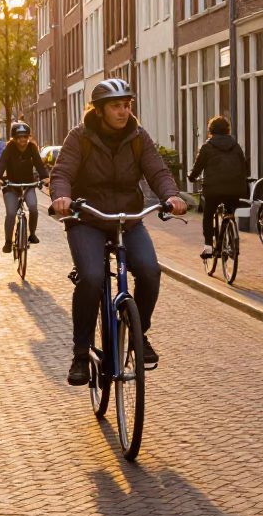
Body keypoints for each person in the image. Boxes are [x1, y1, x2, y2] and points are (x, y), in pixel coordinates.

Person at [49, 79, 188, 384]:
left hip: (128, 218)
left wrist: (171, 196)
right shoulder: (80, 138)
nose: (123, 111)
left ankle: (140, 333)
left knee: (150, 271)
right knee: (92, 277)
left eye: (127, 105)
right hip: (87, 218)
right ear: (98, 111)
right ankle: (81, 353)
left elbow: (157, 171)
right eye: (115, 106)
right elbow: (62, 173)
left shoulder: (138, 137)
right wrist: (61, 197)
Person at [188, 116, 249, 258]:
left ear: (211, 131)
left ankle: (208, 246)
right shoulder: (236, 146)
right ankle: (230, 236)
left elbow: (198, 168)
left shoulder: (207, 146)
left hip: (213, 189)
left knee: (208, 214)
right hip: (235, 188)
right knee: (229, 211)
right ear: (228, 130)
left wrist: (191, 177)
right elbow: (243, 166)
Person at [0, 122, 49, 253]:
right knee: (11, 213)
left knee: (34, 208)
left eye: (25, 136)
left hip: (27, 185)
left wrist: (44, 177)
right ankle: (8, 242)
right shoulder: (9, 149)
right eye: (19, 137)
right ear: (14, 138)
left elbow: (39, 164)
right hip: (11, 186)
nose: (23, 140)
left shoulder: (32, 148)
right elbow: (2, 164)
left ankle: (32, 234)